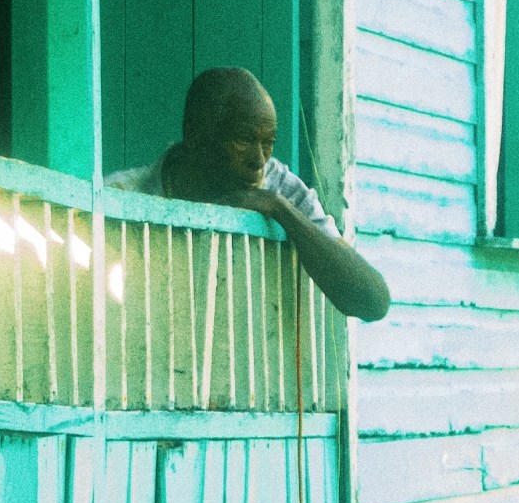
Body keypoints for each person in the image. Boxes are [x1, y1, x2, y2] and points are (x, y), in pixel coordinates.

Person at [107, 67, 391, 322]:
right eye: (243, 140)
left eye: (268, 144)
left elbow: (372, 302)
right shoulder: (122, 195)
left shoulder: (278, 187)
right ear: (194, 136)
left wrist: (279, 209)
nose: (259, 160)